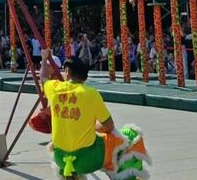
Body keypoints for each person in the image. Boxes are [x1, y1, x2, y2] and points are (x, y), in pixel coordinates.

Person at [40, 48, 150, 179]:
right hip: (87, 160)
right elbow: (109, 126)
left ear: (67, 72)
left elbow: (43, 78)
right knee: (129, 137)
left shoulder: (54, 88)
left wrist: (44, 58)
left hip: (61, 158)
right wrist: (91, 126)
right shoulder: (90, 93)